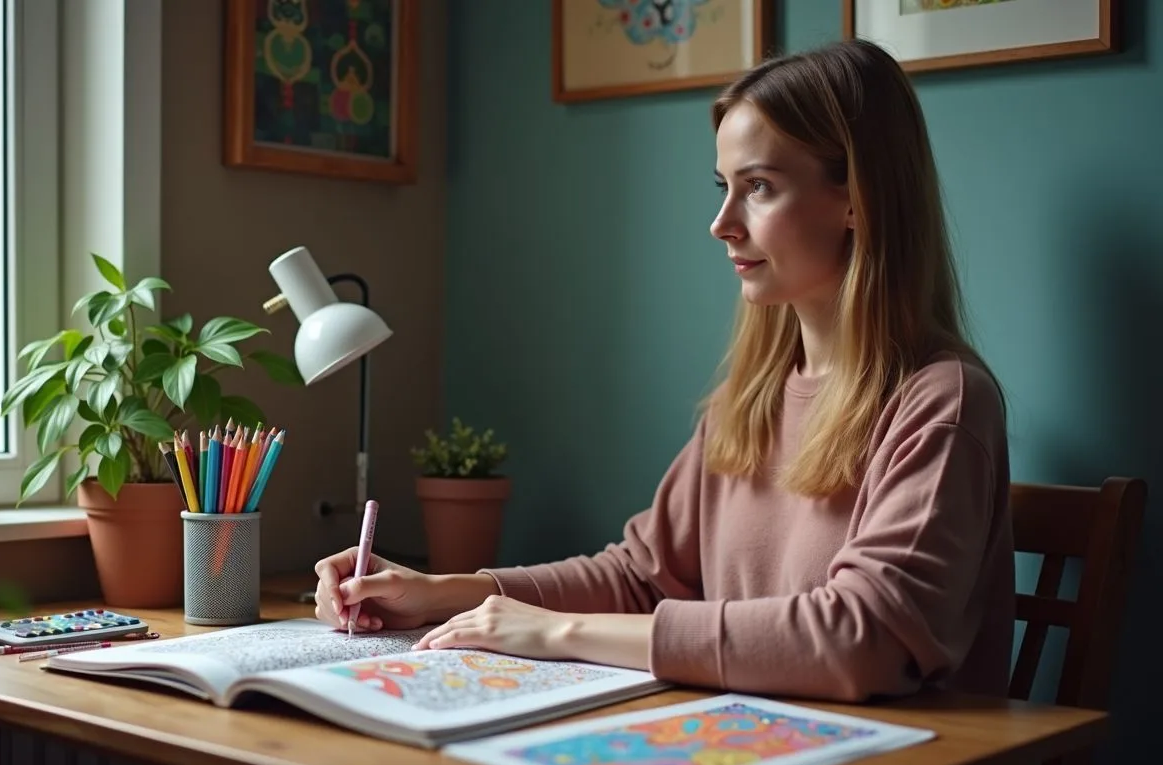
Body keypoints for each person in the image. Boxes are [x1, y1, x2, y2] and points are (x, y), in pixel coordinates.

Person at [312, 38, 1014, 704]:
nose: (722, 222)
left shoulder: (943, 403)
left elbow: (863, 640)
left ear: (858, 198)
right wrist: (444, 590)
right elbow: (640, 576)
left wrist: (557, 633)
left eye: (759, 187)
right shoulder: (752, 399)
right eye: (724, 186)